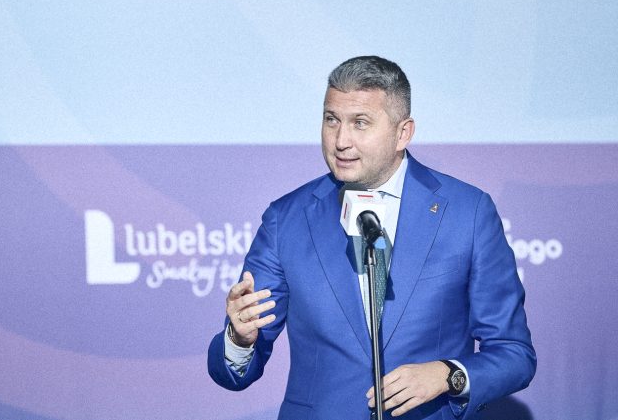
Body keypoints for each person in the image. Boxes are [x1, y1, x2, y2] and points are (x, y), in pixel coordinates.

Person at [207, 56, 535, 419]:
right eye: (331, 120)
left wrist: (448, 375)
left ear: (403, 133)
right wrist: (239, 339)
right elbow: (233, 373)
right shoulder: (286, 219)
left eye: (360, 123)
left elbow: (514, 354)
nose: (340, 140)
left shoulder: (467, 212)